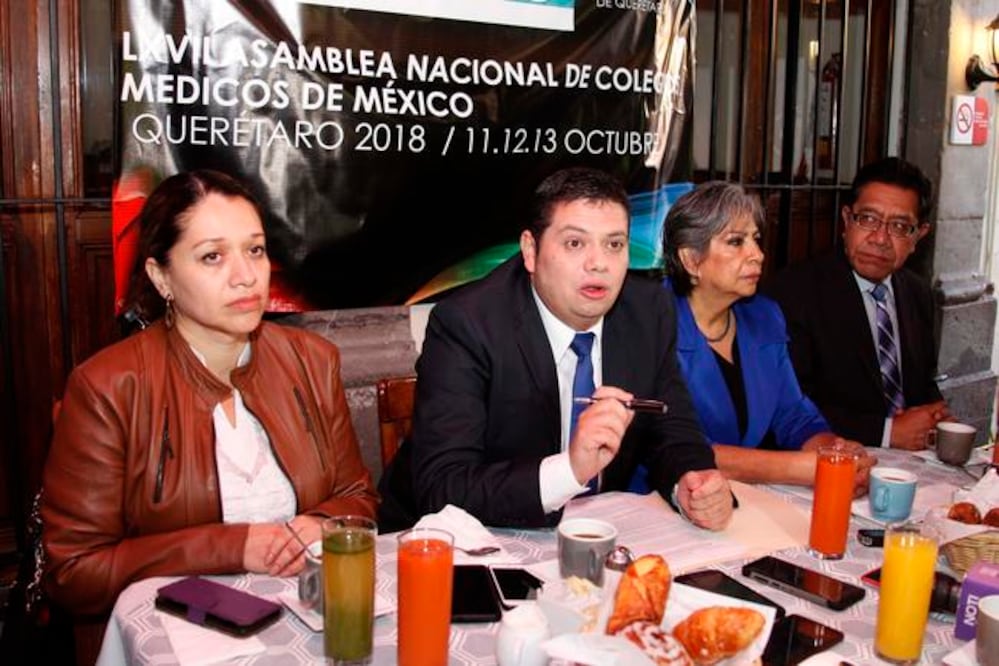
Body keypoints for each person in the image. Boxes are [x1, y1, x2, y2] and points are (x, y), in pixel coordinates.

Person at [41, 170, 378, 655]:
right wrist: (232, 547)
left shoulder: (312, 361)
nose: (245, 275)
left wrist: (321, 523)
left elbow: (357, 498)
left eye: (255, 250)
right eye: (212, 256)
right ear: (161, 277)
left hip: (302, 621)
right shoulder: (108, 388)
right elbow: (74, 573)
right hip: (172, 638)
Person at [378, 167, 733, 532]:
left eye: (614, 244)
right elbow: (443, 486)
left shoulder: (648, 312)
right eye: (575, 243)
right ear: (531, 251)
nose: (598, 263)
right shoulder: (467, 324)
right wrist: (570, 470)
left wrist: (691, 482)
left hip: (588, 534)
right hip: (453, 543)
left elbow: (672, 426)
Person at [650, 181, 875, 491]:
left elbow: (795, 416)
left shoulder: (763, 316)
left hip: (745, 504)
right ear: (691, 259)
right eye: (735, 242)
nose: (757, 254)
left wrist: (833, 451)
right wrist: (799, 468)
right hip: (663, 504)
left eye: (756, 239)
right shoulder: (652, 326)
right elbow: (676, 446)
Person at [766, 157, 949, 449]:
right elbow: (788, 405)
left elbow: (921, 385)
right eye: (868, 219)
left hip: (910, 465)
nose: (880, 239)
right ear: (846, 220)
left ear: (919, 236)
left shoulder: (918, 294)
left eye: (900, 226)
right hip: (831, 457)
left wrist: (936, 415)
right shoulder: (794, 293)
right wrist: (887, 432)